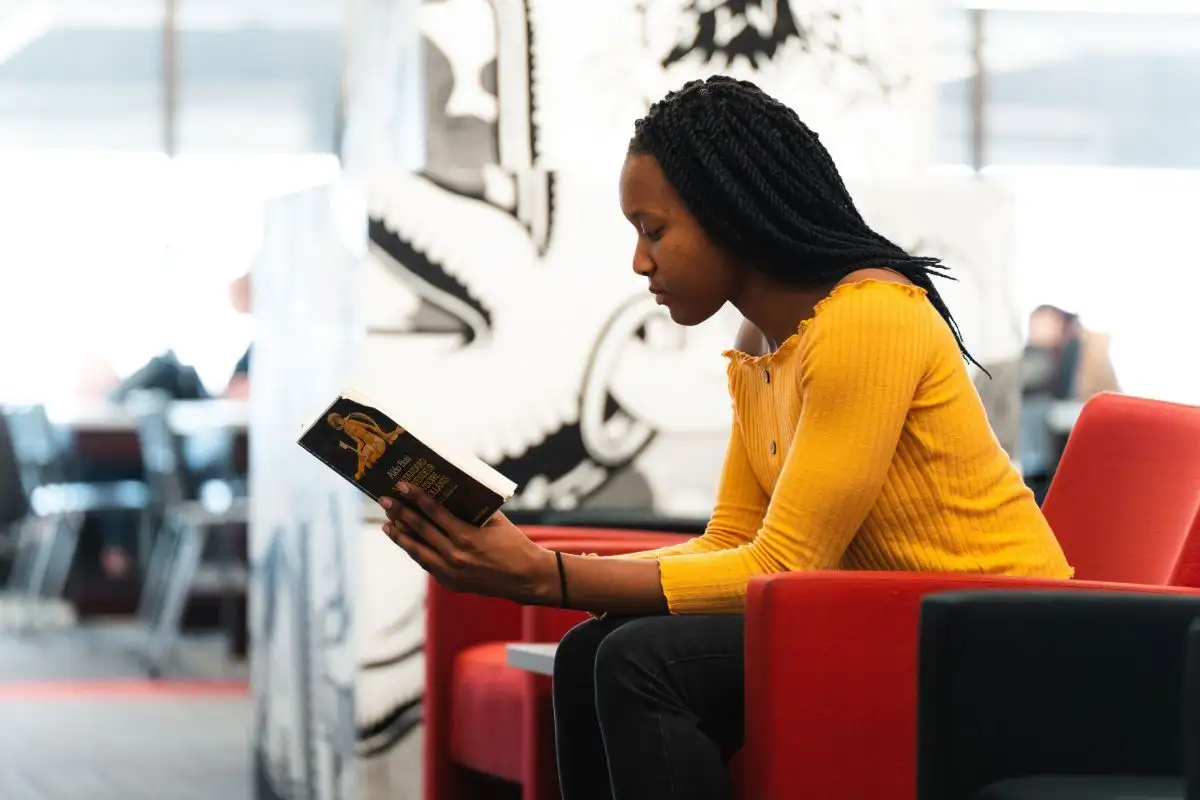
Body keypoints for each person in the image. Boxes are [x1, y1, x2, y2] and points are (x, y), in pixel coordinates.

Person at [377, 75, 1074, 800]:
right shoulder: (765, 340)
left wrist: (543, 575)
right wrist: (546, 568)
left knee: (643, 664)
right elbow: (733, 540)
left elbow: (784, 565)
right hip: (892, 620)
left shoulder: (869, 320)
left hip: (995, 640)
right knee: (592, 650)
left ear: (730, 215)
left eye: (654, 231)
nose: (640, 262)